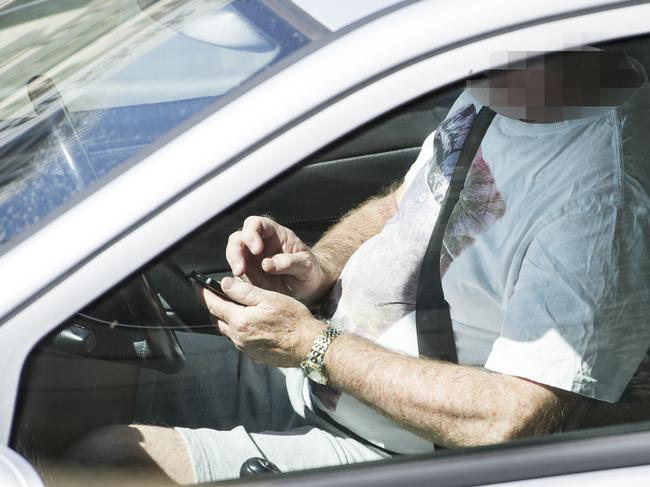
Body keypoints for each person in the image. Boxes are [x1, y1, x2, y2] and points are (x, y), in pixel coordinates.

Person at [69, 49, 650, 484]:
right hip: (318, 375)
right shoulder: (508, 88)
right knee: (90, 382)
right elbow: (405, 203)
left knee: (109, 459)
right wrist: (318, 266)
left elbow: (516, 420)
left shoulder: (604, 205)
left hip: (393, 449)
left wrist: (312, 345)